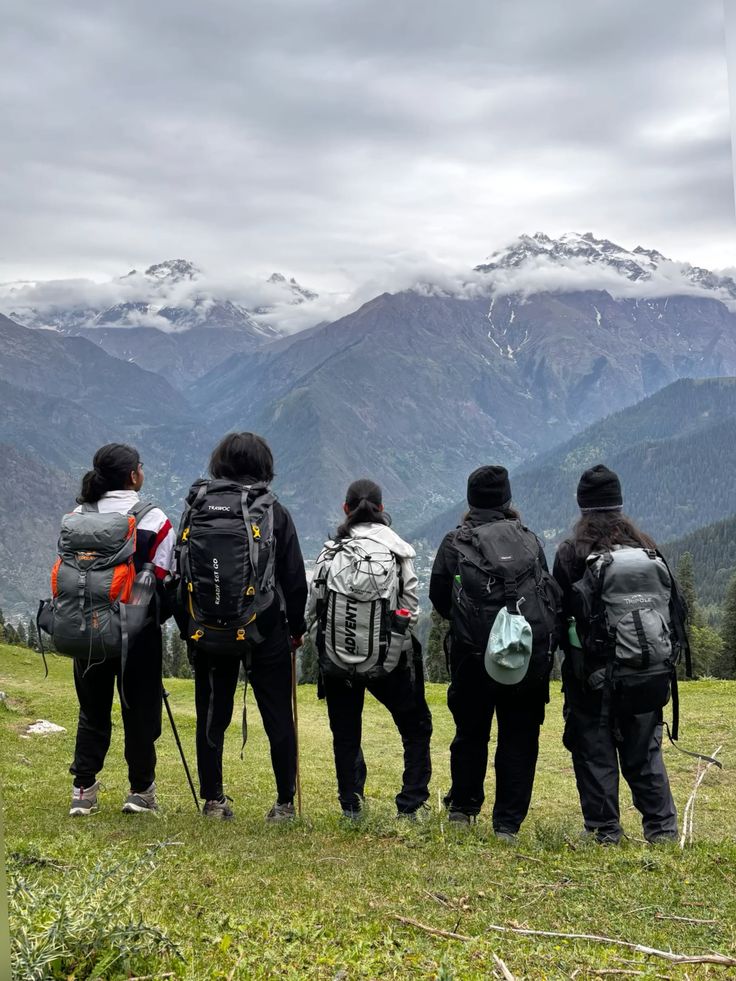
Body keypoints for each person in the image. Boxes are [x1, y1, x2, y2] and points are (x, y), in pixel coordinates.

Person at [182, 432, 307, 821]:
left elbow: (182, 569)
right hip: (265, 625)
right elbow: (294, 578)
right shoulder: (272, 511)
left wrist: (190, 624)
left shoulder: (197, 506)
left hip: (208, 628)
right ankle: (285, 802)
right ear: (264, 466)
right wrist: (296, 628)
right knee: (277, 714)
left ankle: (213, 800)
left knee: (212, 712)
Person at [429, 465, 558, 839]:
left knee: (470, 732)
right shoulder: (530, 541)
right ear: (507, 499)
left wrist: (468, 624)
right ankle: (507, 824)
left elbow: (440, 597)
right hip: (524, 655)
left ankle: (464, 809)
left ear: (470, 500)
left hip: (472, 654)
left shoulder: (456, 542)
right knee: (519, 736)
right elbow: (547, 595)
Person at [553, 464, 679, 845]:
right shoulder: (647, 549)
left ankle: (604, 832)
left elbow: (559, 612)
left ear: (583, 506)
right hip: (647, 672)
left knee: (595, 752)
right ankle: (662, 830)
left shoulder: (572, 553)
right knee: (644, 752)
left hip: (593, 677)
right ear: (620, 504)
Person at [307, 479, 432, 819]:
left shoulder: (330, 550)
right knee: (415, 725)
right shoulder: (398, 550)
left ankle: (352, 805)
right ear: (381, 508)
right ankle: (411, 803)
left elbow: (314, 604)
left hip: (336, 657)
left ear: (346, 509)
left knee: (346, 732)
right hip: (389, 659)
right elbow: (411, 607)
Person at [68, 443, 175, 816]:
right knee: (139, 711)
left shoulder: (78, 514)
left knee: (92, 710)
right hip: (137, 631)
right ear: (133, 476)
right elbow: (162, 579)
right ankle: (140, 791)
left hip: (87, 629)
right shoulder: (153, 518)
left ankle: (83, 790)